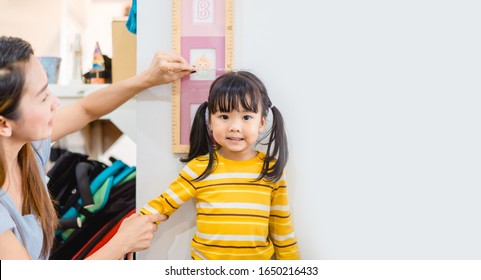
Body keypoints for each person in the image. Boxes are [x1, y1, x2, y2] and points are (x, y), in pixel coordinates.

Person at [0, 36, 194, 260]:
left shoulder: (26, 150)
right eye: (42, 98)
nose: (55, 102)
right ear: (4, 124)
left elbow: (86, 110)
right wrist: (121, 243)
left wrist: (147, 79)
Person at [140, 71, 300, 260]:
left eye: (246, 117)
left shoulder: (271, 170)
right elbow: (163, 205)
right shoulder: (199, 168)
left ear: (261, 123)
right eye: (224, 116)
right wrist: (131, 230)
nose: (234, 126)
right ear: (210, 122)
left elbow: (282, 226)